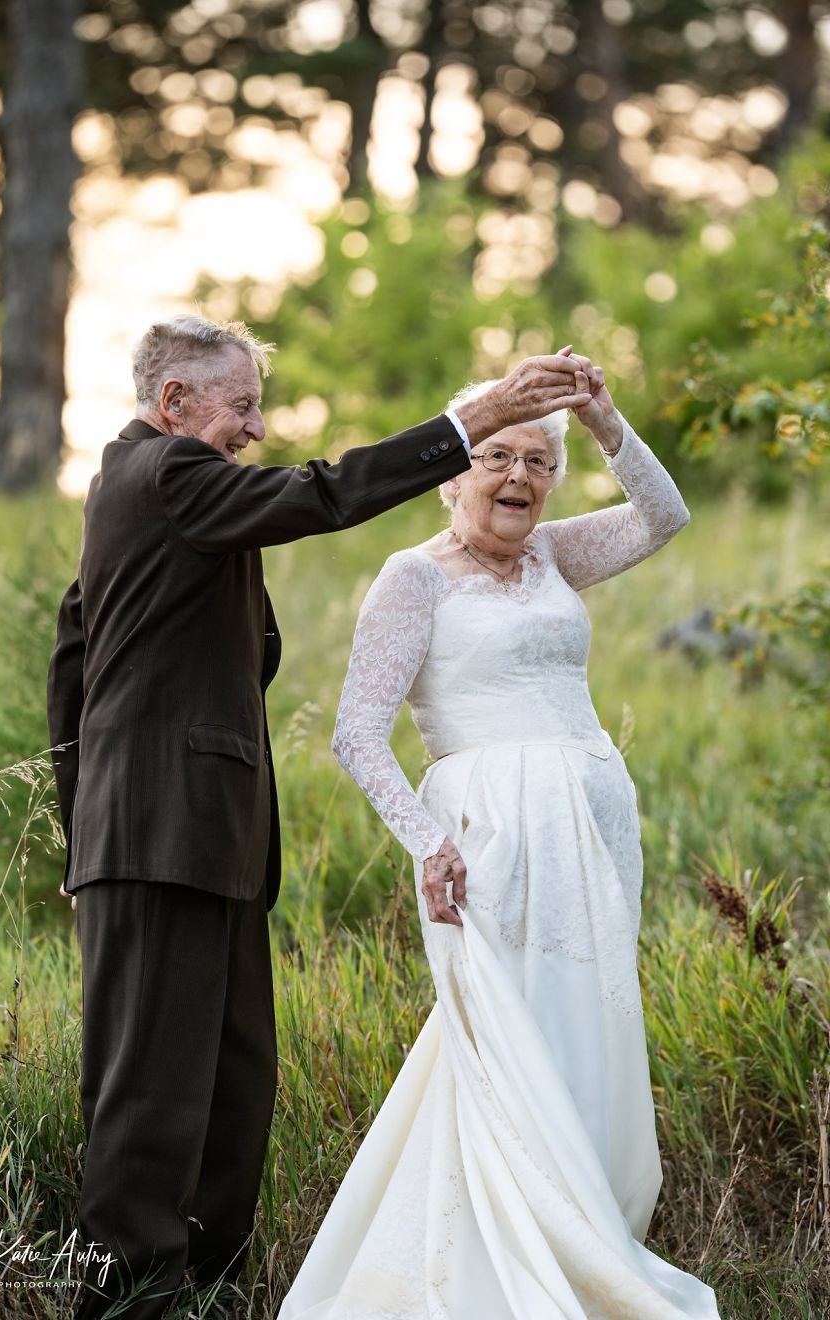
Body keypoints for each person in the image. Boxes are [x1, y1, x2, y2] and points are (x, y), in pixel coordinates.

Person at [46, 312, 596, 1319]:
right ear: (175, 404)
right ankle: (126, 1305)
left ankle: (208, 1295)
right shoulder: (159, 474)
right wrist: (481, 414)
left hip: (210, 842)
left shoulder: (148, 497)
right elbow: (326, 493)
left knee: (232, 1086)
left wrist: (86, 823)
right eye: (242, 406)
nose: (256, 429)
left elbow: (72, 650)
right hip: (156, 836)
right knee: (149, 1100)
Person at [278, 354, 723, 1317]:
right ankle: (491, 1257)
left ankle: (587, 1240)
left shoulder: (557, 555)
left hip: (594, 822)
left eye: (536, 462)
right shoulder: (412, 579)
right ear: (450, 474)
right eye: (495, 456)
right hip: (487, 842)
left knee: (584, 1025)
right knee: (502, 1042)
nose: (518, 477)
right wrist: (426, 843)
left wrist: (605, 420)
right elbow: (358, 731)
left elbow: (664, 517)